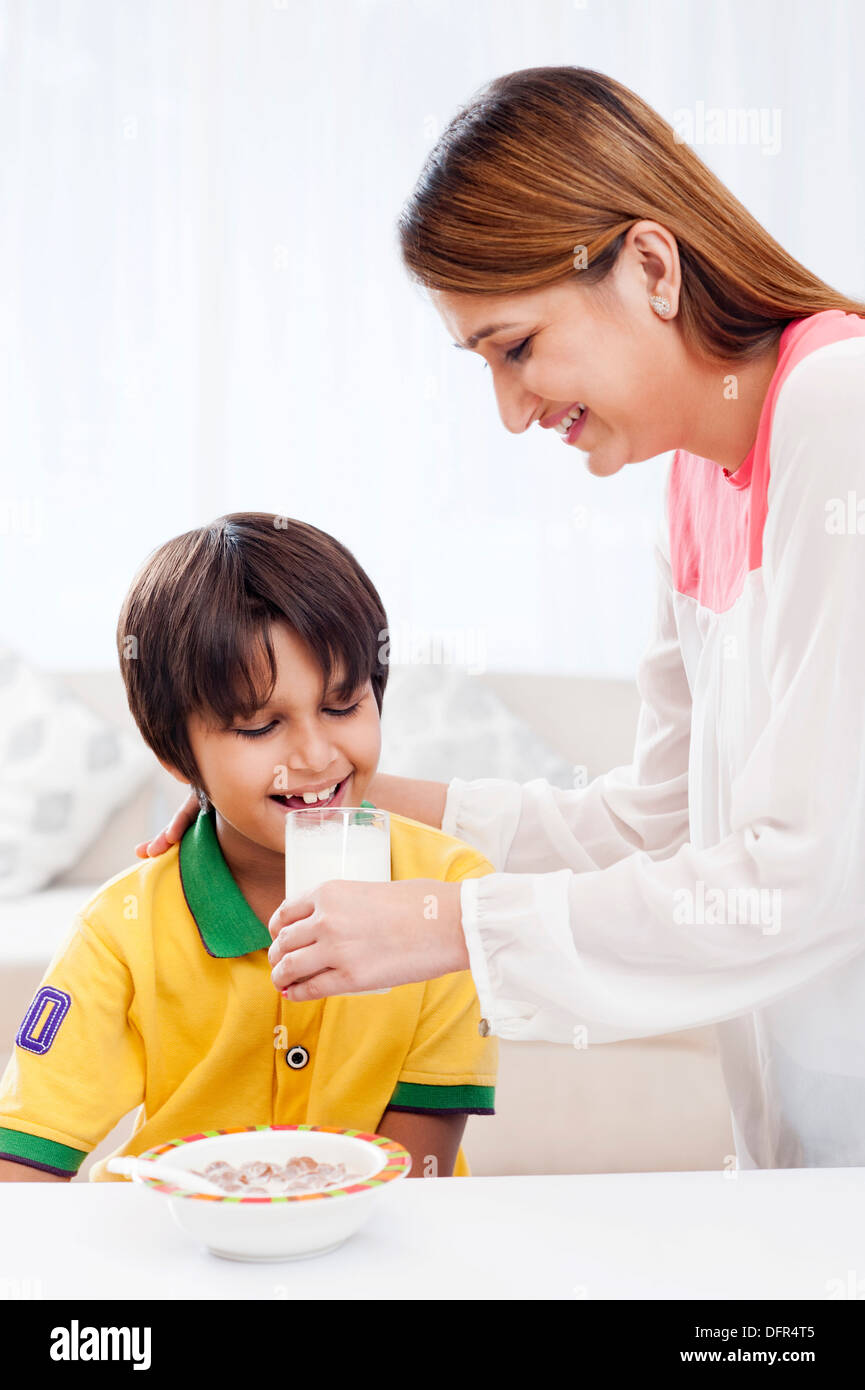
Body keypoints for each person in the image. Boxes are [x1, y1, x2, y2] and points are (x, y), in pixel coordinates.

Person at [137, 68, 865, 1171]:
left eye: (515, 347)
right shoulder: (696, 479)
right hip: (801, 1150)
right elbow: (654, 828)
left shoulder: (838, 410)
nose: (513, 411)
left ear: (651, 267)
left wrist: (443, 927)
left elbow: (806, 878)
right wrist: (331, 790)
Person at [0, 513, 497, 1183]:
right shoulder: (121, 930)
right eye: (262, 725)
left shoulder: (447, 893)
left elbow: (417, 1172)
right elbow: (24, 1165)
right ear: (177, 754)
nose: (316, 756)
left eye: (344, 706)